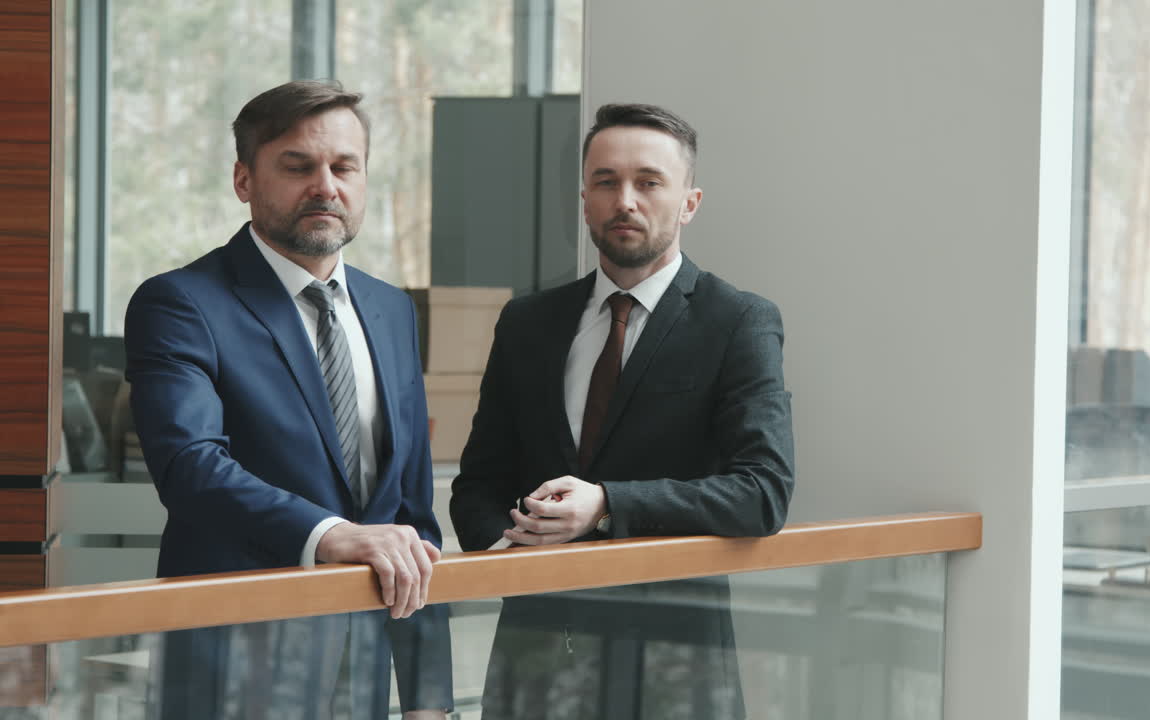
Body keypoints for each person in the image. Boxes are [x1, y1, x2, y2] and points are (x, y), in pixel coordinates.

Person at [450, 103, 795, 720]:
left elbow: (762, 490)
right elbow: (478, 482)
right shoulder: (527, 323)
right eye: (606, 182)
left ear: (688, 202)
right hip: (535, 656)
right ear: (584, 199)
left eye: (648, 182)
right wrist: (509, 555)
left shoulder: (738, 321)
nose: (624, 200)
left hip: (671, 662)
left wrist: (607, 504)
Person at [125, 80, 451, 719]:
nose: (325, 186)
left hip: (361, 669)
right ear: (244, 180)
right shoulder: (182, 303)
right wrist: (332, 535)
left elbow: (412, 516)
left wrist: (426, 696)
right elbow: (190, 467)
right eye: (298, 166)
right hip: (234, 663)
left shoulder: (392, 310)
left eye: (343, 167)